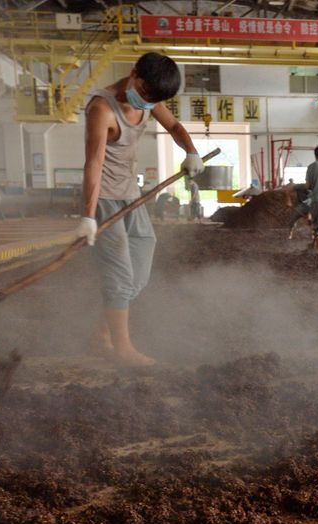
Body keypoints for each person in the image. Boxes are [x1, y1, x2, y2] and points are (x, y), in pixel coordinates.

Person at [75, 52, 204, 367]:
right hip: (104, 198)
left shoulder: (150, 100)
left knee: (141, 266)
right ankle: (122, 349)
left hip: (131, 195)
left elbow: (174, 126)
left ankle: (101, 334)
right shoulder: (102, 109)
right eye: (144, 94)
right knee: (119, 273)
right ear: (134, 74)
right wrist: (89, 216)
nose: (147, 103)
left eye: (154, 100)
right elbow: (93, 164)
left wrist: (191, 152)